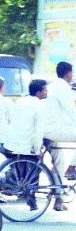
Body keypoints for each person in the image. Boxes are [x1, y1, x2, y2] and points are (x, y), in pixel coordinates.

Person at [3, 79, 47, 211]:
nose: (46, 92)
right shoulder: (39, 106)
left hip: (13, 143)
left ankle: (22, 190)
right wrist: (38, 148)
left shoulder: (20, 101)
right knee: (35, 168)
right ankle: (31, 196)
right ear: (39, 92)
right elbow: (38, 130)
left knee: (20, 169)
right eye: (45, 89)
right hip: (27, 144)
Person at [42, 62, 76, 210]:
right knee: (62, 163)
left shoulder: (53, 85)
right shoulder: (63, 87)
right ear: (68, 73)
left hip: (46, 130)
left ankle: (58, 197)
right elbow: (72, 111)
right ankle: (73, 166)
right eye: (72, 73)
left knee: (59, 161)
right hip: (53, 130)